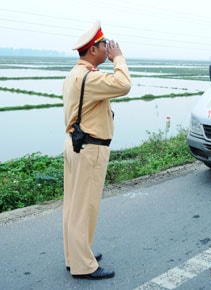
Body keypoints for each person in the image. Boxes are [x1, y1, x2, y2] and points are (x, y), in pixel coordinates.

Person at [63, 20, 131, 279]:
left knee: (74, 205)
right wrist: (119, 58)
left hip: (75, 144)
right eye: (104, 45)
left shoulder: (74, 74)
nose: (108, 48)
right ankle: (83, 265)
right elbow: (123, 84)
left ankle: (76, 254)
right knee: (85, 207)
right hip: (90, 148)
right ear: (93, 49)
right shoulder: (90, 77)